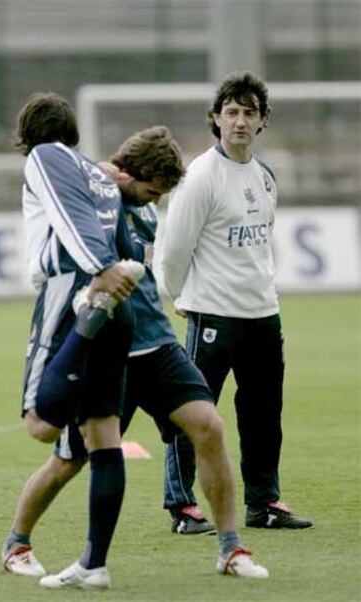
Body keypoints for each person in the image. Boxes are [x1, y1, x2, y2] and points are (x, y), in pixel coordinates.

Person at [2, 126, 269, 590]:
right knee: (70, 458)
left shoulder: (144, 208)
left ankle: (231, 548)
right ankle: (17, 542)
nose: (154, 201)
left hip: (157, 344)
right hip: (112, 349)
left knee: (208, 425)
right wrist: (101, 177)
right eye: (150, 191)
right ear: (126, 174)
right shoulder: (92, 199)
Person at [161, 71, 313, 531]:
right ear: (216, 118)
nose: (240, 121)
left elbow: (263, 245)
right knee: (192, 411)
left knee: (265, 414)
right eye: (231, 112)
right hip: (213, 314)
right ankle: (182, 505)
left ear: (263, 121)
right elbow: (175, 250)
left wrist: (270, 296)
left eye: (249, 113)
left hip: (262, 315)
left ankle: (263, 503)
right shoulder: (201, 177)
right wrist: (182, 297)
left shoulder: (264, 177)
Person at [13, 92, 146, 591]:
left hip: (76, 292)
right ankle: (94, 564)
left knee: (39, 425)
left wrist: (100, 275)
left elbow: (77, 225)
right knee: (102, 437)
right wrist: (121, 268)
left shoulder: (43, 157)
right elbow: (127, 243)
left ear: (28, 132)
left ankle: (88, 326)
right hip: (119, 306)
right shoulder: (97, 172)